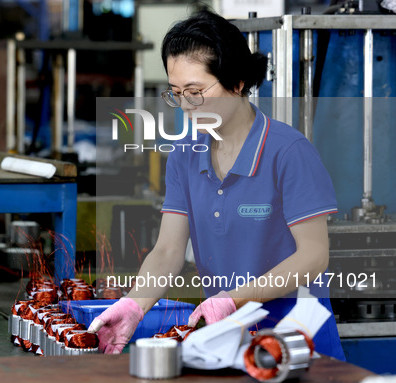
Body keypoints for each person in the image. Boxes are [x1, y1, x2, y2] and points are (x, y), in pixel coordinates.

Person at [88, 10, 345, 360]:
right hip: (227, 344)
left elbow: (314, 257)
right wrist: (134, 304)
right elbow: (167, 251)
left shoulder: (289, 152)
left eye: (195, 91)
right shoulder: (185, 155)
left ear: (237, 82)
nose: (185, 105)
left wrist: (231, 299)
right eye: (176, 93)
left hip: (297, 345)